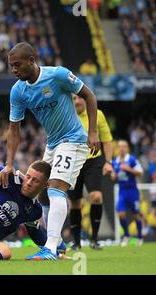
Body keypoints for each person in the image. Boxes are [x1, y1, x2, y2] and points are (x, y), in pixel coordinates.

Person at [0, 42, 100, 260]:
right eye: (11, 66)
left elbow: (90, 96)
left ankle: (51, 248)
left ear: (31, 61)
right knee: (42, 193)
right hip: (53, 144)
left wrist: (93, 132)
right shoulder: (18, 91)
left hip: (73, 140)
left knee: (55, 187)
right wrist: (9, 163)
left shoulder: (58, 75)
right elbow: (14, 129)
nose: (14, 70)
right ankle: (60, 245)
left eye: (17, 65)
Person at [68, 94, 113, 250]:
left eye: (80, 98)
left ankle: (94, 239)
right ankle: (76, 242)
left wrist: (108, 162)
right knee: (75, 202)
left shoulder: (97, 114)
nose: (78, 101)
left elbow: (107, 140)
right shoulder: (66, 114)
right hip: (73, 161)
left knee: (96, 196)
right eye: (74, 98)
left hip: (94, 160)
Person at [111, 140, 144, 246]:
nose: (121, 149)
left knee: (136, 214)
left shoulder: (132, 160)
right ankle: (126, 235)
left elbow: (140, 173)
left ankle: (139, 236)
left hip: (132, 191)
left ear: (127, 148)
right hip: (122, 191)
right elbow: (113, 175)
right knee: (120, 213)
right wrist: (113, 176)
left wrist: (128, 169)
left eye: (124, 146)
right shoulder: (115, 161)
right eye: (119, 146)